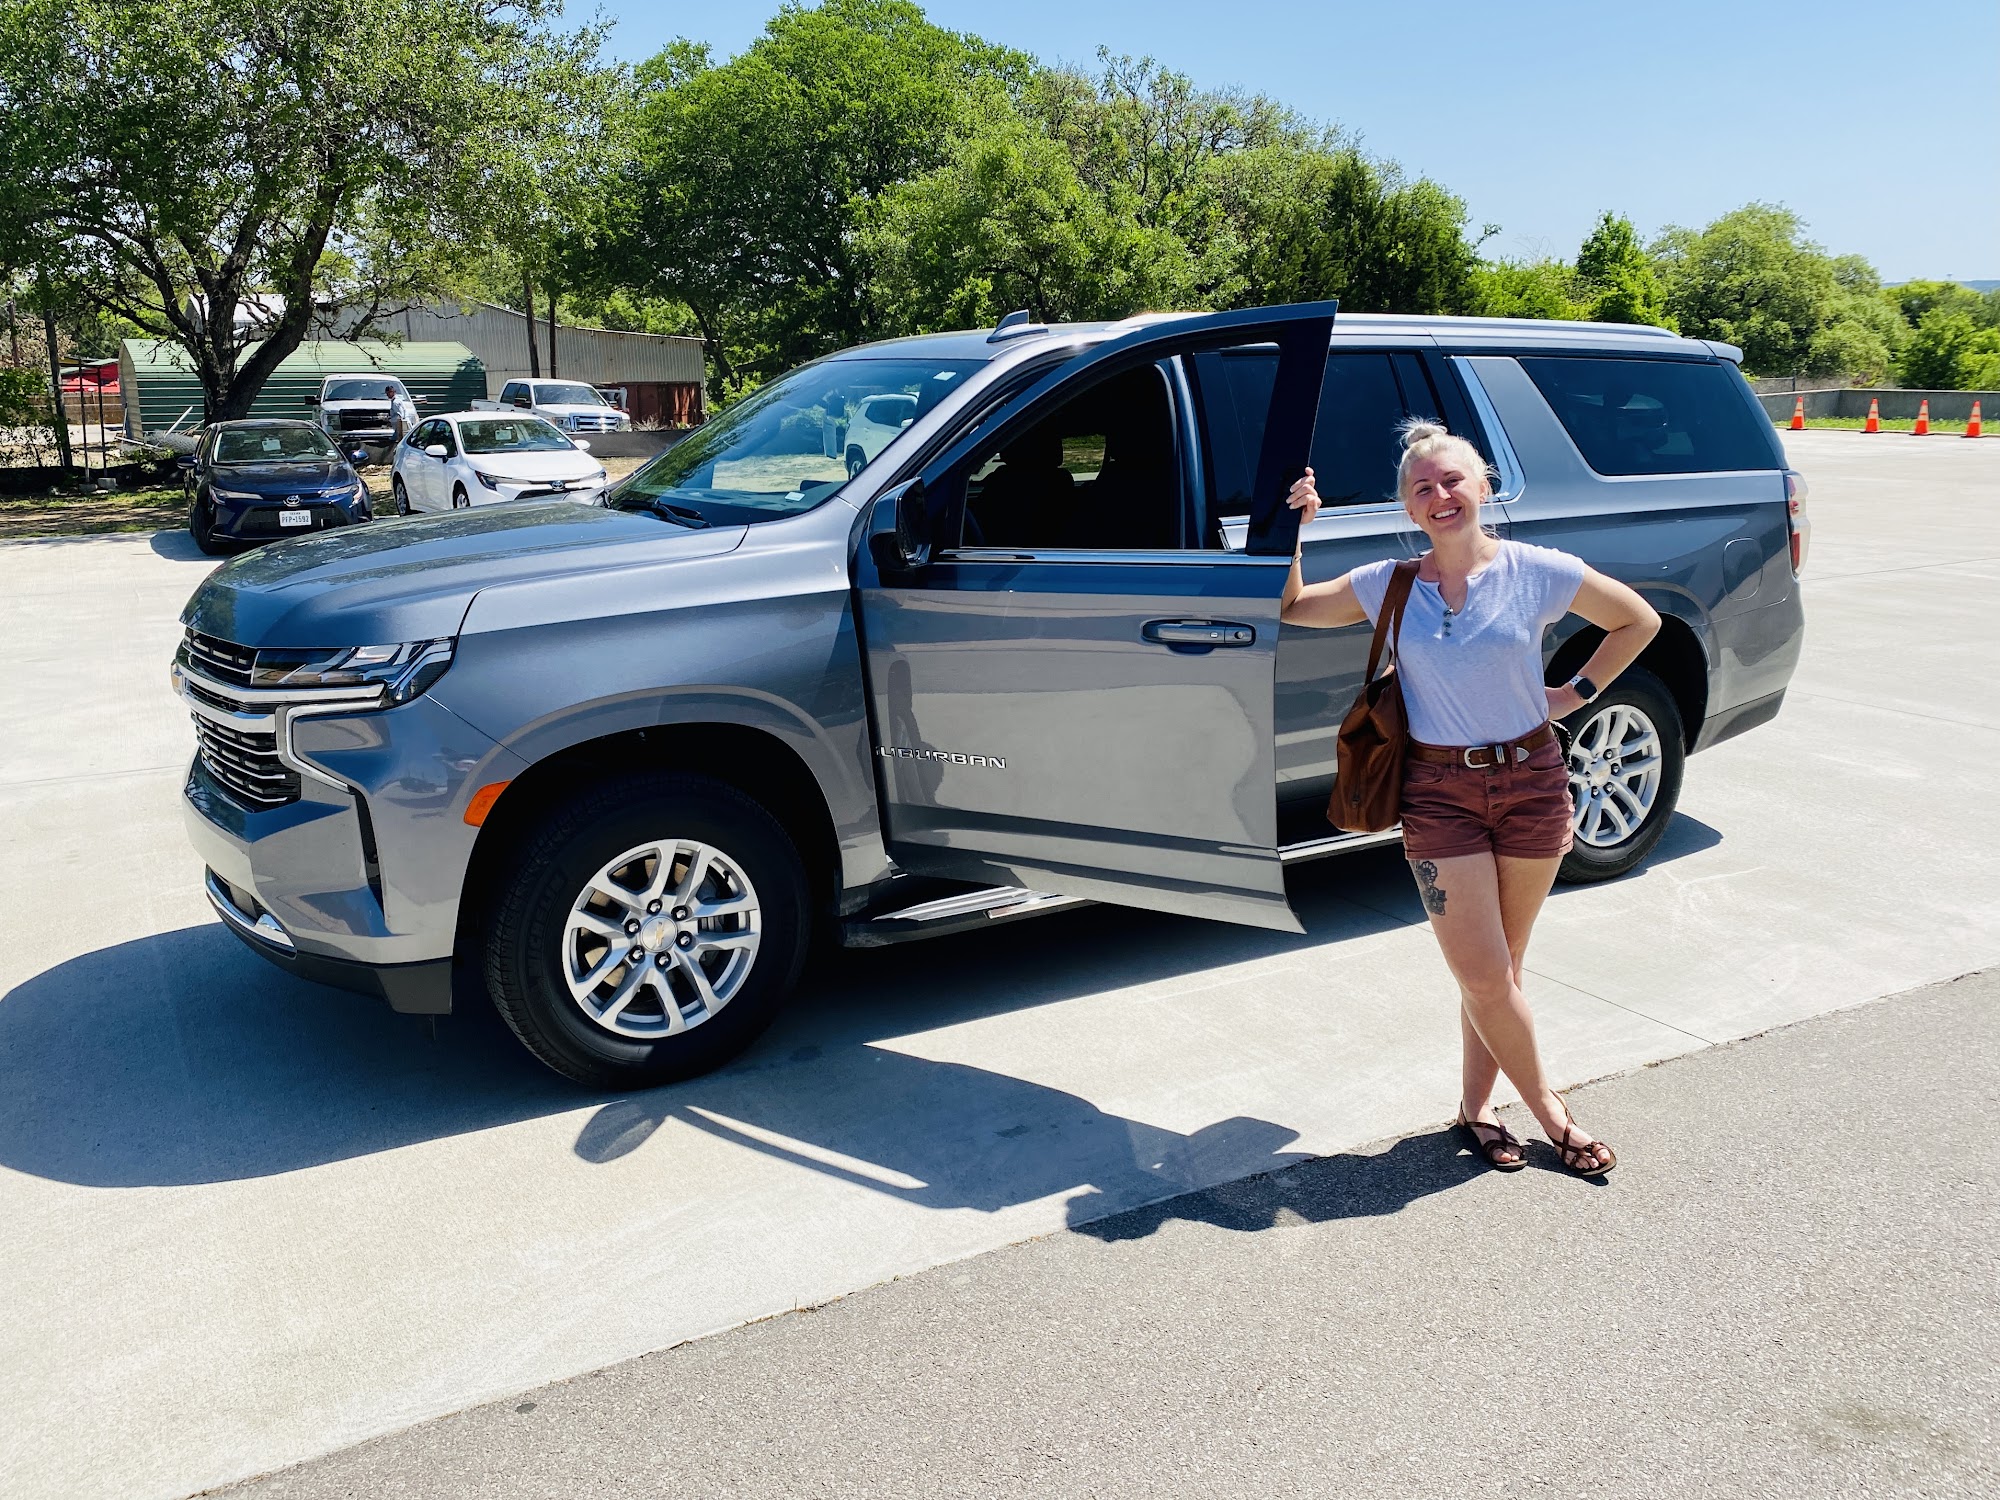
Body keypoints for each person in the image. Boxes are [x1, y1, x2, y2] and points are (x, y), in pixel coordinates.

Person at [1280, 420, 1660, 1176]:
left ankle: (1477, 1110)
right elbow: (1293, 606)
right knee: (1486, 975)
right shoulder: (1387, 583)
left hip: (1532, 782)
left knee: (1501, 969)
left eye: (1453, 480)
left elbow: (1637, 620)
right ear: (1408, 507)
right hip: (1438, 793)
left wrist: (1575, 693)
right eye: (1423, 487)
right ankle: (1552, 1112)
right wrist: (1296, 529)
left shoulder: (1537, 570)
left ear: (1484, 486)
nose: (1440, 495)